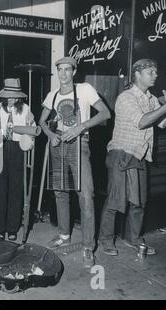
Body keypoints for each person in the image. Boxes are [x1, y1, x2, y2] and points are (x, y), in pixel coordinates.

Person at [39, 56, 111, 268]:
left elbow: (106, 113)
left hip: (79, 143)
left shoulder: (85, 89)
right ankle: (63, 235)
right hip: (57, 143)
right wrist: (50, 134)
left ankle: (88, 246)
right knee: (61, 192)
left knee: (85, 194)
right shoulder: (52, 95)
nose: (63, 74)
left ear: (74, 71)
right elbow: (42, 121)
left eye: (67, 70)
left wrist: (81, 127)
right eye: (60, 70)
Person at [99, 59, 166, 256]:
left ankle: (134, 238)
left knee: (139, 202)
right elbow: (142, 122)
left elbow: (161, 124)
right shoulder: (126, 97)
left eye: (155, 71)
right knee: (115, 200)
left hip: (140, 154)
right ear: (137, 74)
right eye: (150, 72)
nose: (155, 75)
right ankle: (106, 239)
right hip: (121, 153)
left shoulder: (151, 98)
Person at [0, 78, 37, 241]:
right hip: (0, 149)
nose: (11, 99)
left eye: (15, 96)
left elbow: (32, 131)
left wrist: (28, 138)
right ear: (3, 95)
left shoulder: (25, 109)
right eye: (8, 96)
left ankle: (13, 228)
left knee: (16, 189)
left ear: (19, 97)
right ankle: (1, 228)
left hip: (18, 150)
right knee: (0, 190)